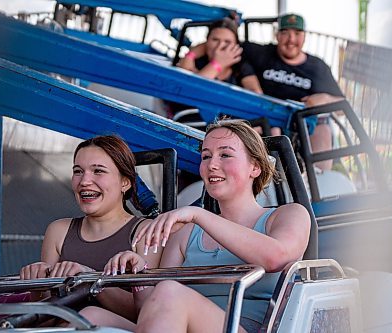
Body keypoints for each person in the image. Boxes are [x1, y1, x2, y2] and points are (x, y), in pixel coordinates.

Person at [104, 120, 311, 332]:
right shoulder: (186, 233)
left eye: (225, 155)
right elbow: (154, 308)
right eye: (206, 156)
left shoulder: (288, 214)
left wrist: (199, 214)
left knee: (170, 292)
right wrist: (139, 275)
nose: (212, 164)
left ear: (255, 167)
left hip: (250, 327)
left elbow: (275, 258)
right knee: (91, 316)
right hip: (182, 324)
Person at [19, 135, 159, 329]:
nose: (84, 181)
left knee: (90, 317)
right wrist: (37, 285)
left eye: (98, 171)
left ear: (125, 182)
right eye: (78, 171)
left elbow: (146, 314)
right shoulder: (58, 231)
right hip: (60, 328)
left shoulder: (145, 232)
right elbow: (47, 317)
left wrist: (89, 279)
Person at [241, 13, 345, 170]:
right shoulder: (262, 53)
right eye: (285, 33)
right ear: (277, 35)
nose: (291, 40)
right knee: (270, 129)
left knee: (322, 129)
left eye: (297, 34)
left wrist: (323, 99)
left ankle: (318, 186)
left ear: (304, 37)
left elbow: (342, 107)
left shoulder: (317, 67)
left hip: (305, 125)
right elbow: (224, 41)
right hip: (267, 122)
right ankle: (276, 181)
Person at [177, 17, 262, 93]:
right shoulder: (195, 62)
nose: (220, 46)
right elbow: (190, 89)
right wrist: (217, 64)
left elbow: (256, 94)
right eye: (215, 40)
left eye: (227, 42)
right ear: (206, 41)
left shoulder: (241, 67)